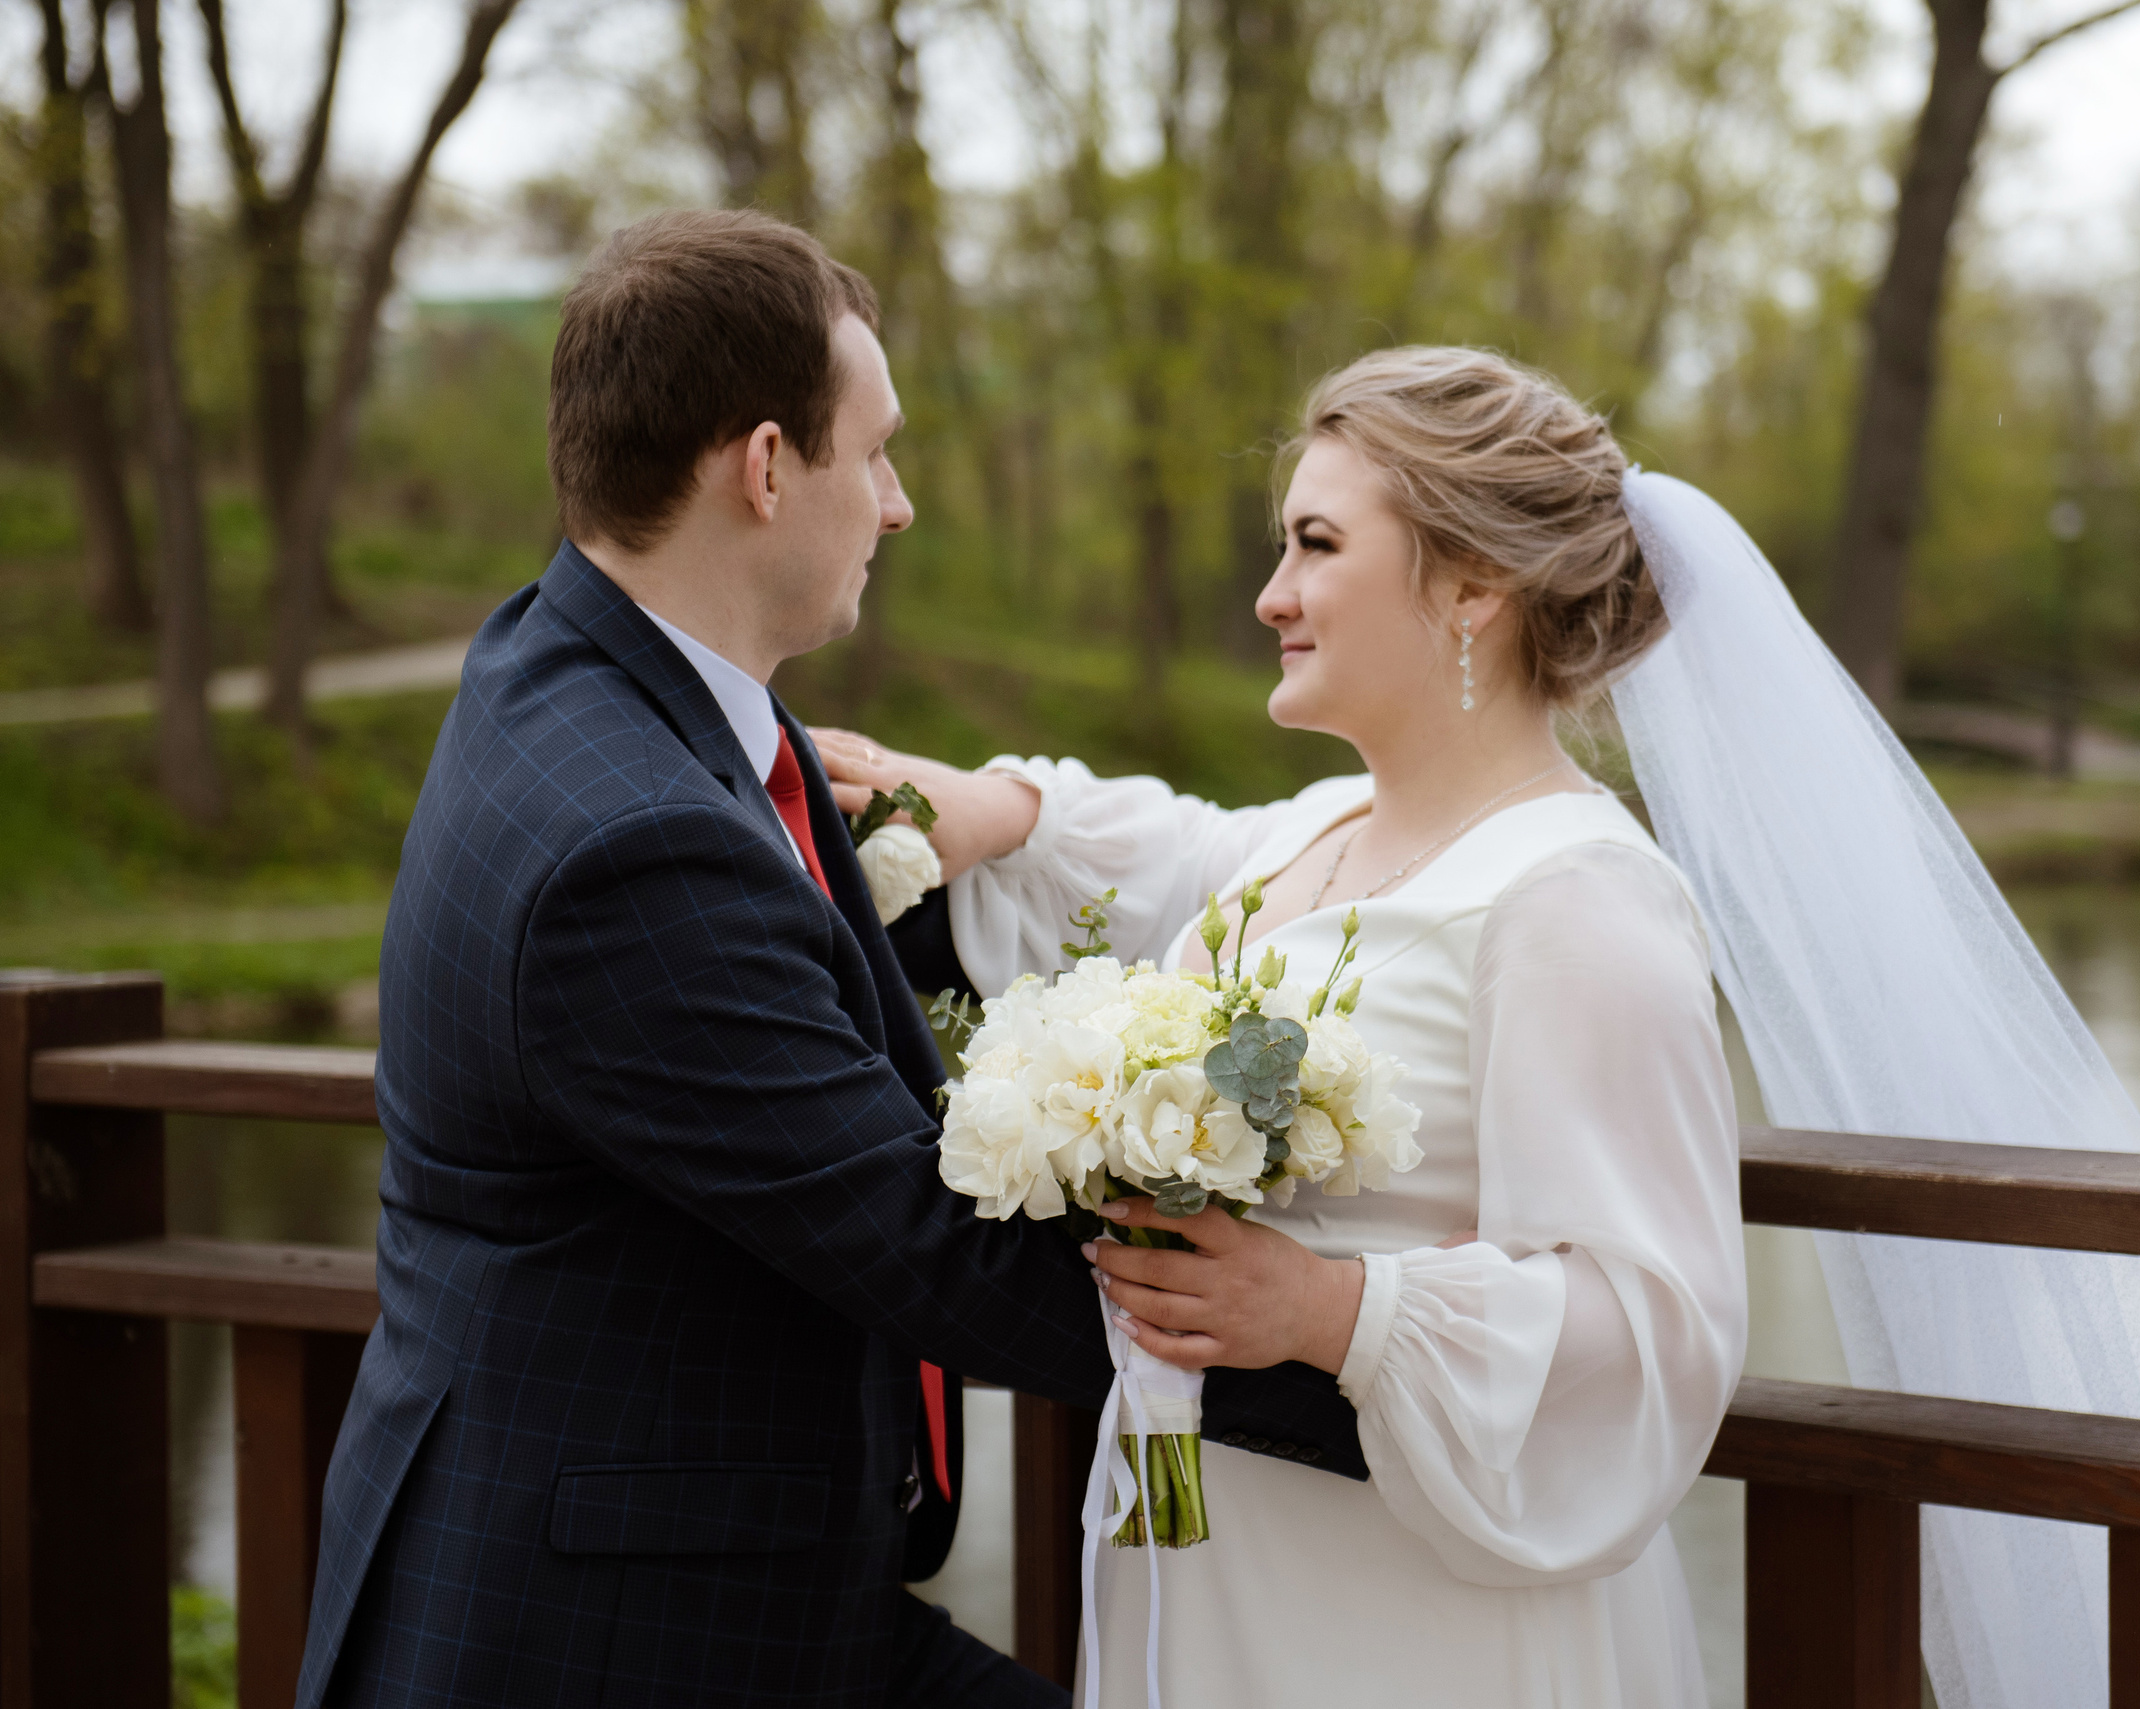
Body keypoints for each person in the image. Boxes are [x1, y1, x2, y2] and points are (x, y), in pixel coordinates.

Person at [301, 208, 1364, 1709]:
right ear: (763, 467)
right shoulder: (632, 846)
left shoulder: (581, 674)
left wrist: (996, 827)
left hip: (711, 1570)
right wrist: (1387, 1371)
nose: (900, 504)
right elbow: (930, 1241)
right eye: (875, 453)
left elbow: (801, 994)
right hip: (602, 1634)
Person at [819, 346, 1750, 1706]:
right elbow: (1166, 847)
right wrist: (991, 806)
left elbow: (1654, 1327)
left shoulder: (1578, 900)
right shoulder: (1320, 828)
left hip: (1418, 1619)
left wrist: (1330, 1308)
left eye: (1317, 544)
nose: (1271, 594)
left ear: (1473, 586)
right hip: (1224, 1558)